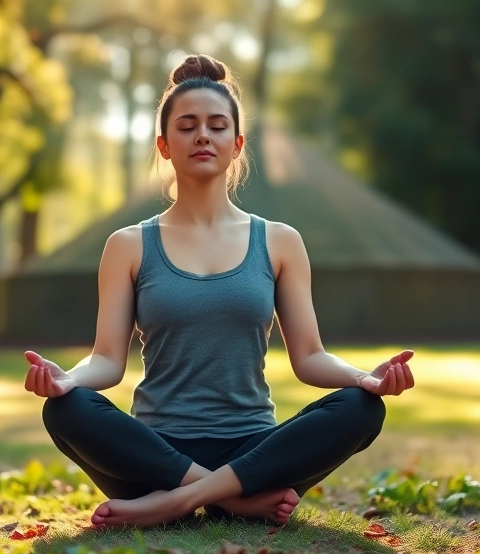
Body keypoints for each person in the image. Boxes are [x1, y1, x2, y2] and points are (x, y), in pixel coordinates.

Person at [23, 54, 416, 528]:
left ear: (237, 143)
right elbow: (107, 361)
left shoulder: (279, 241)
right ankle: (232, 500)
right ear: (165, 145)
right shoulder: (127, 246)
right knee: (66, 410)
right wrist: (65, 380)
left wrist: (364, 379)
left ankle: (174, 504)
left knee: (360, 409)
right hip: (154, 455)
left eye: (217, 125)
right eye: (187, 126)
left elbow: (310, 357)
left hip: (252, 449)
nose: (203, 136)